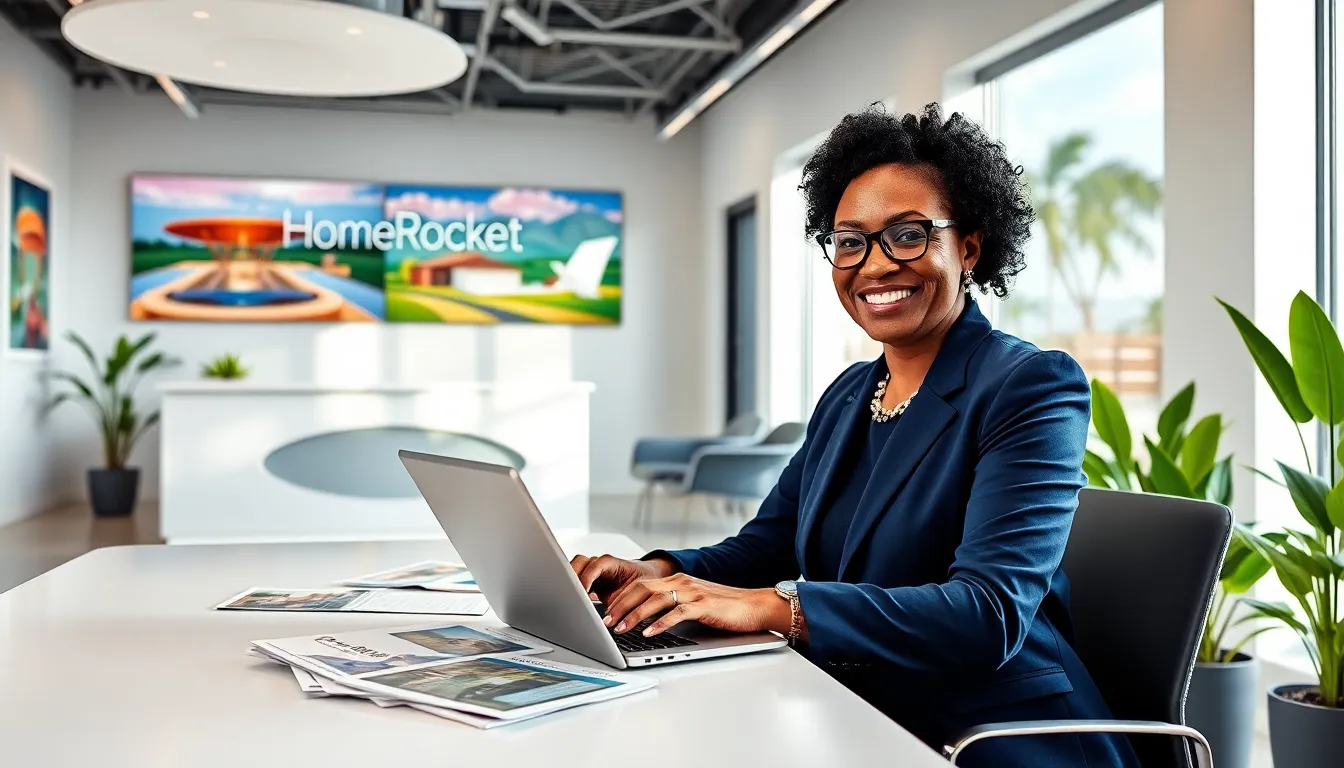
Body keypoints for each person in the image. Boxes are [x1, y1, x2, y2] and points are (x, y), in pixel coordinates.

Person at [570, 103, 1141, 768]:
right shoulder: (848, 394)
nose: (874, 265)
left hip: (995, 735)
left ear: (970, 247)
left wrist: (777, 609)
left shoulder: (1030, 386)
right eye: (850, 240)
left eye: (907, 235)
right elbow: (768, 545)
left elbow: (987, 615)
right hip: (856, 707)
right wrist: (658, 570)